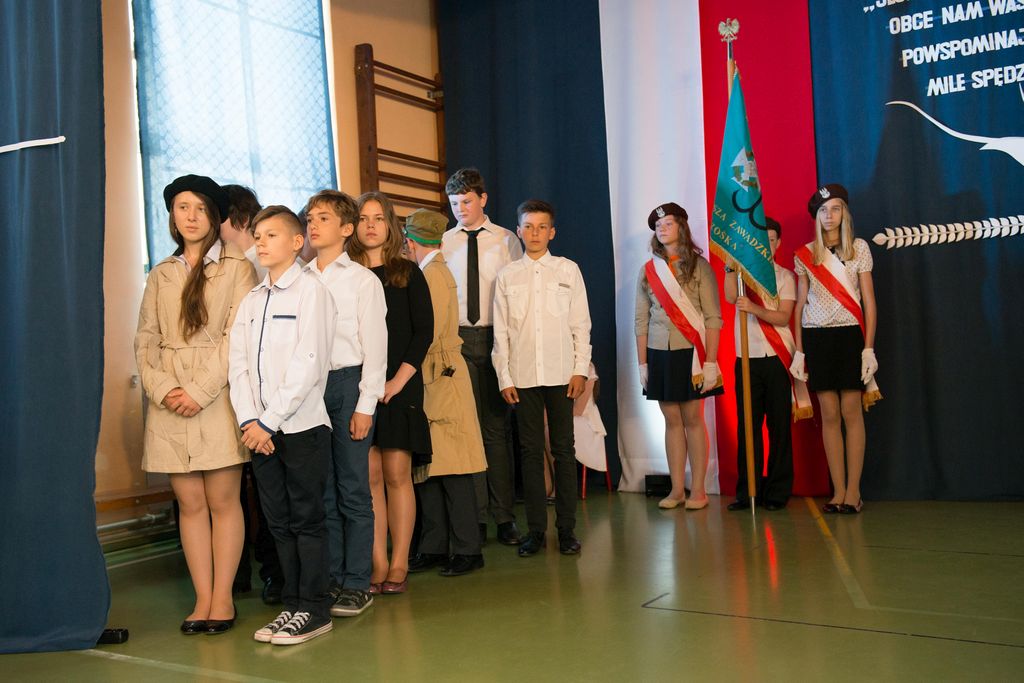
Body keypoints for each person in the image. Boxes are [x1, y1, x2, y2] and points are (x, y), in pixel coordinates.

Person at [135, 174, 256, 635]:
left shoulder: (238, 267)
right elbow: (145, 339)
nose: (190, 216)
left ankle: (222, 597)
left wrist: (199, 391)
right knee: (189, 504)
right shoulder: (160, 273)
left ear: (215, 215)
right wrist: (165, 389)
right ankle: (201, 597)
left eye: (200, 208)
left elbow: (236, 336)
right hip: (169, 399)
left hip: (217, 394)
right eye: (182, 207)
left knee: (223, 501)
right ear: (172, 215)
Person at [228, 205, 336, 645]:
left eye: (271, 235)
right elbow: (238, 366)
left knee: (307, 521)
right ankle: (291, 606)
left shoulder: (312, 292)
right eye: (257, 236)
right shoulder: (252, 299)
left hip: (302, 429)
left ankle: (315, 608)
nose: (261, 243)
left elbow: (308, 364)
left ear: (295, 242)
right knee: (279, 524)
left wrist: (268, 422)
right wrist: (250, 421)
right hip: (260, 433)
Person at [303, 189, 388, 616]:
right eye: (309, 219)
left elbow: (376, 348)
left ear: (346, 228)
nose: (313, 225)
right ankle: (333, 578)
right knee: (323, 490)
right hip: (308, 389)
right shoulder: (299, 279)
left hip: (348, 385)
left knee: (353, 488)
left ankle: (357, 582)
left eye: (323, 218)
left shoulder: (361, 280)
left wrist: (365, 405)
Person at [493, 199, 592, 557]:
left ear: (552, 232)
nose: (535, 233)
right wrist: (504, 377)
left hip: (561, 374)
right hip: (522, 377)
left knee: (564, 451)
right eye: (528, 226)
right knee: (530, 453)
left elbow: (581, 324)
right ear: (519, 231)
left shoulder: (568, 270)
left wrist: (580, 369)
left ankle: (566, 529)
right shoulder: (507, 276)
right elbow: (501, 333)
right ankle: (536, 530)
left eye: (542, 227)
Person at [349, 191, 433, 594]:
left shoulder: (407, 272)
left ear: (390, 225)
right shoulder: (346, 274)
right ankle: (377, 561)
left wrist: (396, 383)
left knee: (398, 473)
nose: (370, 225)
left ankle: (399, 561)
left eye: (378, 218)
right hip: (358, 388)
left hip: (400, 385)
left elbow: (423, 333)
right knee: (369, 476)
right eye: (363, 218)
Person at [403, 209, 489, 577]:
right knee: (431, 466)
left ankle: (467, 548)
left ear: (410, 242)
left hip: (440, 373)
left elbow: (430, 331)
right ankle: (434, 545)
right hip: (433, 374)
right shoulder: (432, 271)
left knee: (454, 468)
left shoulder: (433, 276)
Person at [440, 168, 523, 547]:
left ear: (483, 199)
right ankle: (474, 518)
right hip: (457, 339)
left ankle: (504, 516)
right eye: (455, 203)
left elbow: (517, 293)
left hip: (494, 338)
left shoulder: (506, 240)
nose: (461, 209)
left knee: (496, 431)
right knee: (466, 432)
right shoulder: (444, 242)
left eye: (467, 201)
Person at [791, 184, 880, 515]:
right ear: (816, 216)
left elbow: (869, 302)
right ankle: (838, 490)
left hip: (849, 336)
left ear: (845, 213)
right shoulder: (805, 254)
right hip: (817, 337)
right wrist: (799, 351)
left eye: (836, 208)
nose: (829, 215)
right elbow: (800, 304)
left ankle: (854, 491)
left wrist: (868, 348)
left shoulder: (859, 248)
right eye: (823, 210)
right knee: (828, 413)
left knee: (851, 411)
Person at [217, 183, 285, 604]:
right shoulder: (225, 266)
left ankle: (274, 571)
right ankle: (238, 572)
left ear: (234, 218)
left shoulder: (264, 267)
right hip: (233, 393)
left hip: (271, 400)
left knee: (268, 491)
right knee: (236, 487)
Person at [635, 202, 724, 511]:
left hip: (692, 354)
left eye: (668, 223)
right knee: (671, 420)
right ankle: (676, 490)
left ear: (682, 227)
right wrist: (642, 363)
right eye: (658, 226)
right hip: (659, 353)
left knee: (692, 419)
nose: (662, 229)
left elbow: (713, 317)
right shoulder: (648, 271)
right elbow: (641, 320)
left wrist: (711, 362)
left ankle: (698, 490)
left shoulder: (700, 267)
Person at [723, 217, 803, 512]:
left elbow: (783, 317)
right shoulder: (741, 275)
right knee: (748, 427)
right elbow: (730, 296)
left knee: (779, 427)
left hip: (776, 359)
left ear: (778, 243)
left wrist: (754, 308)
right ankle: (748, 491)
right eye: (761, 239)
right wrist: (730, 266)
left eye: (771, 240)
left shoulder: (785, 277)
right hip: (746, 360)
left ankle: (778, 491)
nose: (766, 244)